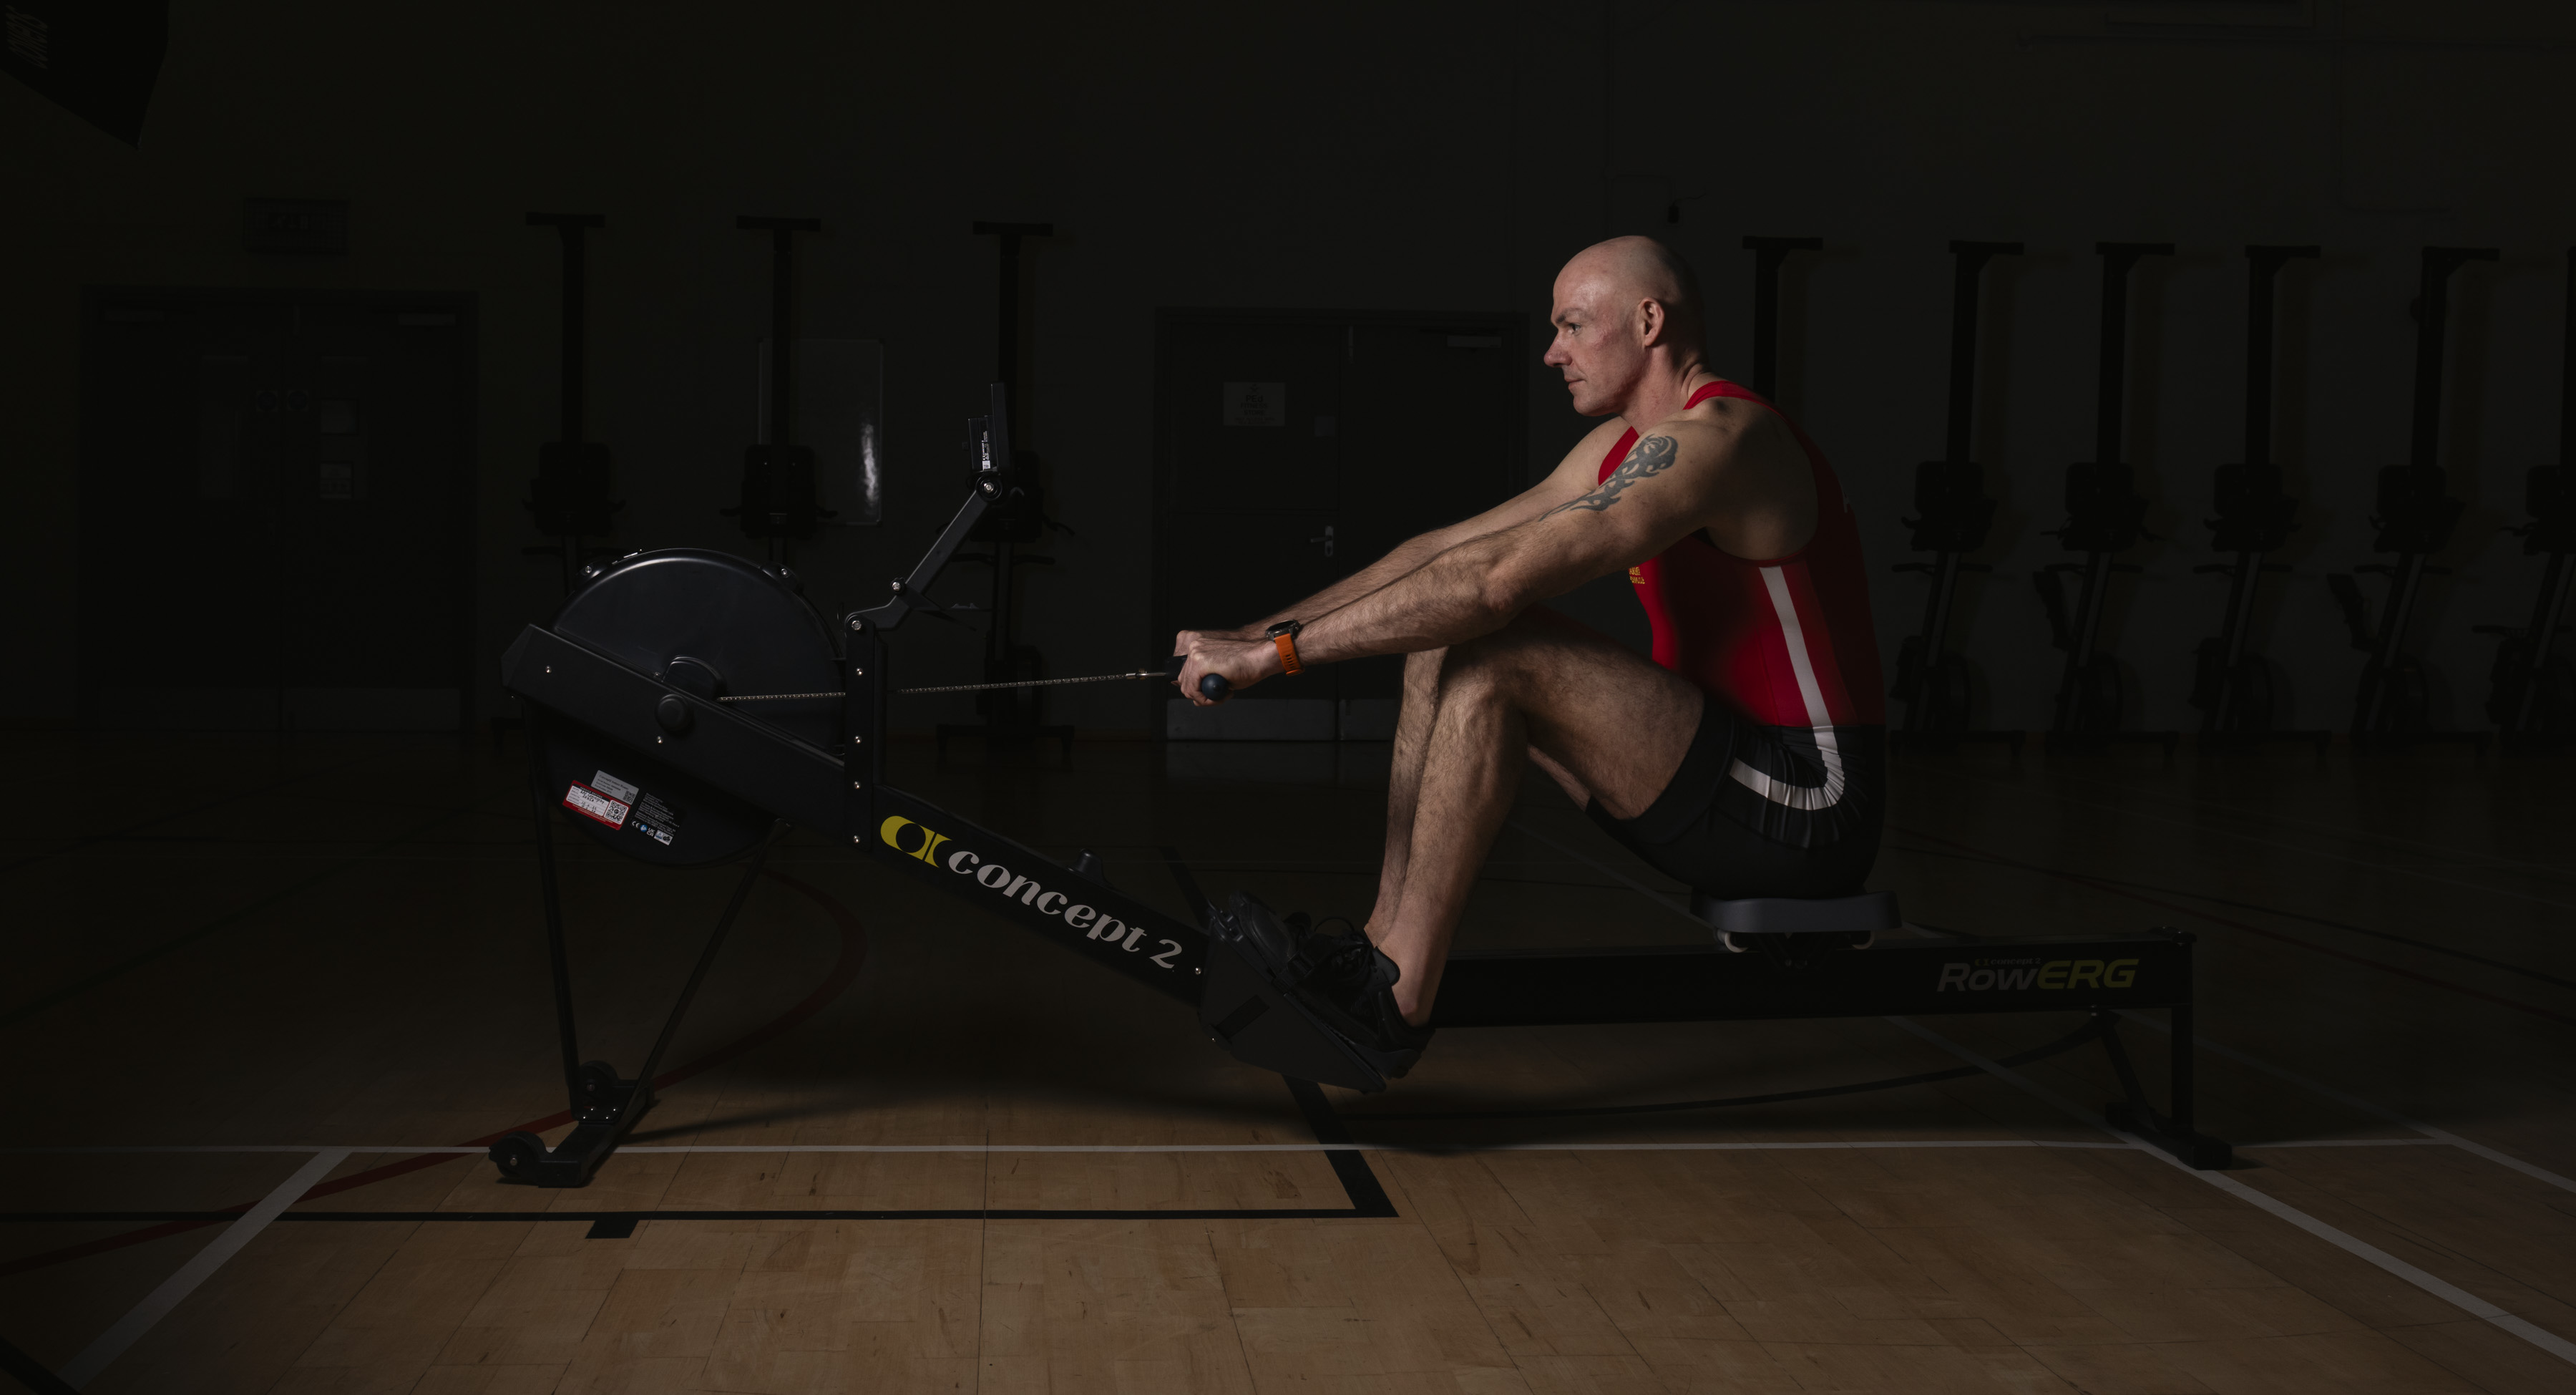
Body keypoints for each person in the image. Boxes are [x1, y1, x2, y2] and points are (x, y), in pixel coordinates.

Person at [1173, 235, 1885, 1077]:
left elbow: (1494, 582)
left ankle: (1391, 1003)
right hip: (1716, 778)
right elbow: (1439, 555)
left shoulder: (1728, 438)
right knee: (1441, 627)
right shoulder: (1617, 448)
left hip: (1809, 802)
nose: (1553, 352)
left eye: (1573, 326)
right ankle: (1376, 953)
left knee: (1494, 639)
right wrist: (1257, 633)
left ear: (1649, 321)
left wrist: (1279, 657)